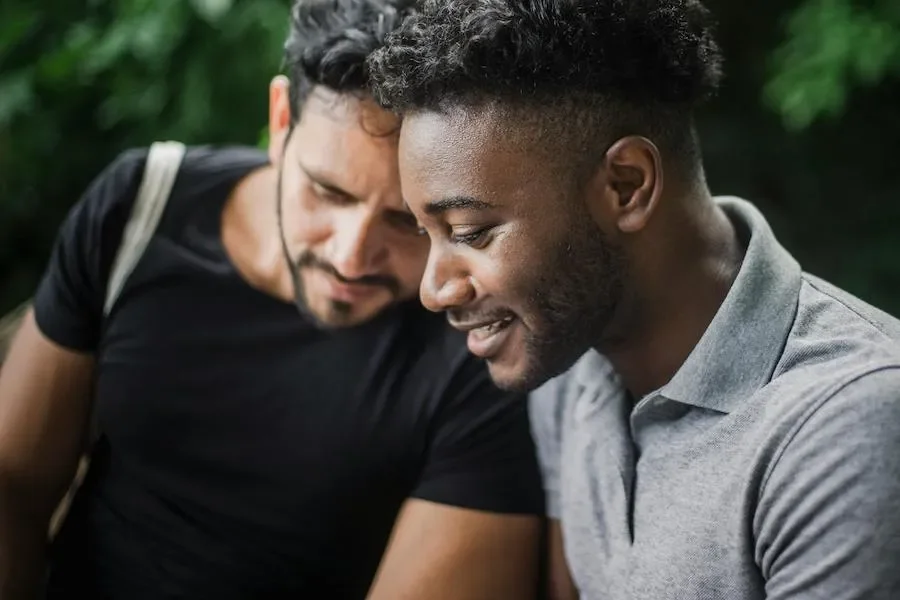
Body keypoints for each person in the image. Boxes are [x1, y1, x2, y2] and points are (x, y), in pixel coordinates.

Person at [0, 1, 546, 598]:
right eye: (326, 191)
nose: (349, 256)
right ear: (280, 120)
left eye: (406, 223)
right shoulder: (142, 207)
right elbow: (13, 487)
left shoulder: (484, 342)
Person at [368, 1, 900, 598]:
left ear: (626, 185)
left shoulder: (849, 423)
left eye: (469, 232)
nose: (434, 289)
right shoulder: (564, 361)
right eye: (425, 233)